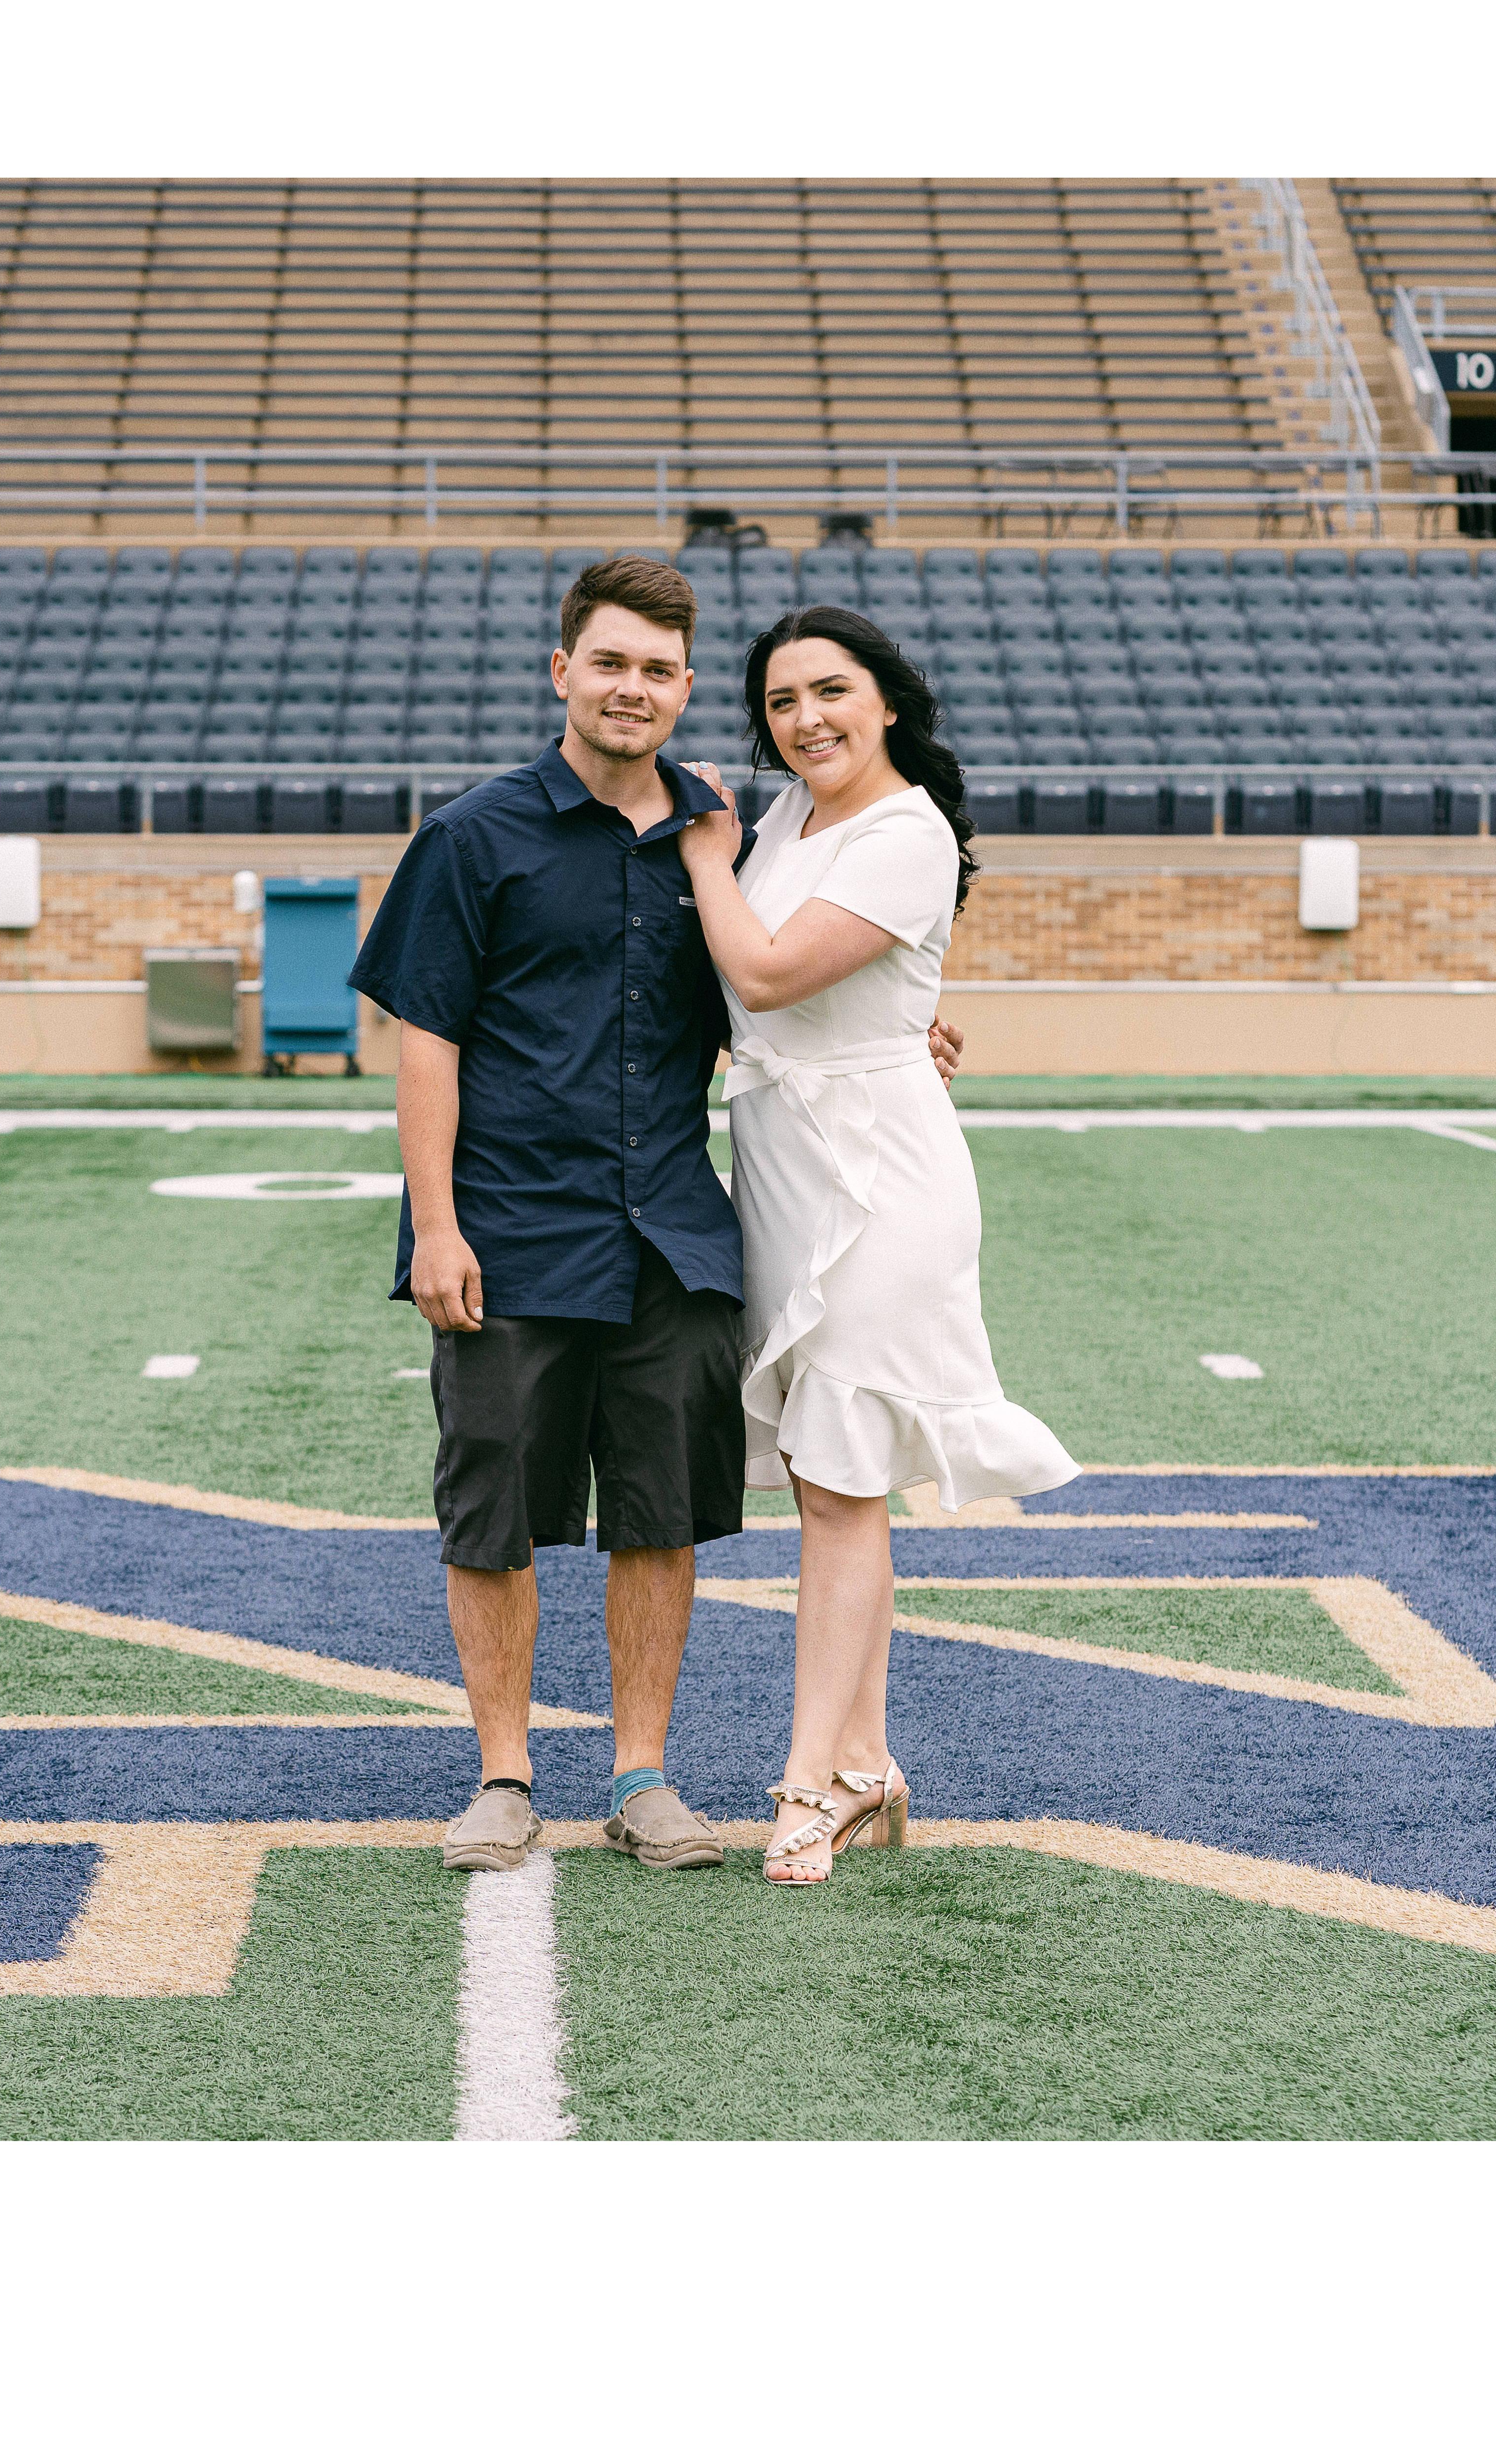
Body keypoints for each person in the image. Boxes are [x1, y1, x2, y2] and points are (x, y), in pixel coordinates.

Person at [347, 557, 962, 1875]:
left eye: (659, 671)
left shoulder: (723, 835)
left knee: (659, 1515)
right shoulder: (473, 835)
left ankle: (643, 1776)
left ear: (686, 690)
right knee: (492, 1516)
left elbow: (787, 982)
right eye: (610, 663)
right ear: (562, 672)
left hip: (674, 1232)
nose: (633, 689)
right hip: (510, 1227)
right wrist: (436, 1226)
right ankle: (503, 1774)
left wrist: (908, 1036)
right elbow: (424, 1039)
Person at [678, 605, 1077, 1885]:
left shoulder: (908, 831)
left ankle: (808, 1783)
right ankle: (865, 1765)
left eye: (831, 691)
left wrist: (702, 853)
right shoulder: (793, 814)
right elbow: (767, 998)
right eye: (782, 701)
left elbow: (767, 974)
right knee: (830, 1481)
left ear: (886, 700)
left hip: (880, 1181)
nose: (807, 720)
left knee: (844, 1477)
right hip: (793, 1167)